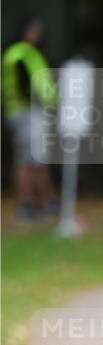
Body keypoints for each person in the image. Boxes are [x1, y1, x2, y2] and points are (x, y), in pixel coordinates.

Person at [2, 16, 58, 222]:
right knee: (27, 159)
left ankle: (44, 200)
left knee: (36, 157)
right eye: (35, 31)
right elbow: (25, 84)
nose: (38, 35)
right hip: (25, 112)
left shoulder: (29, 53)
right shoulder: (19, 53)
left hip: (33, 112)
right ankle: (28, 202)